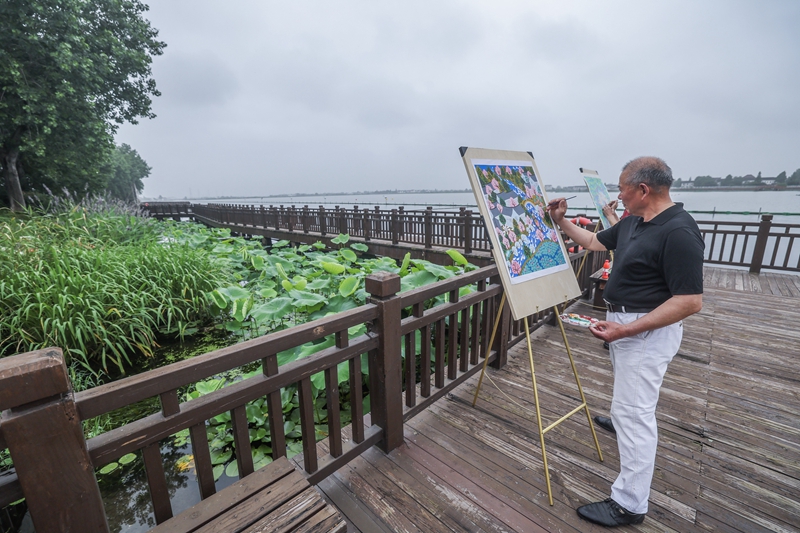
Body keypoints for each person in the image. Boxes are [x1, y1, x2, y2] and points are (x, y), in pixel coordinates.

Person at [547, 157, 704, 528]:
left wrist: (626, 330)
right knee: (630, 405)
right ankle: (622, 420)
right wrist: (561, 221)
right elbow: (591, 242)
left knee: (635, 416)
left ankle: (629, 504)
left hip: (645, 332)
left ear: (643, 190)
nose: (617, 196)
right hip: (625, 325)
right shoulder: (633, 222)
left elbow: (689, 301)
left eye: (622, 188)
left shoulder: (679, 232)